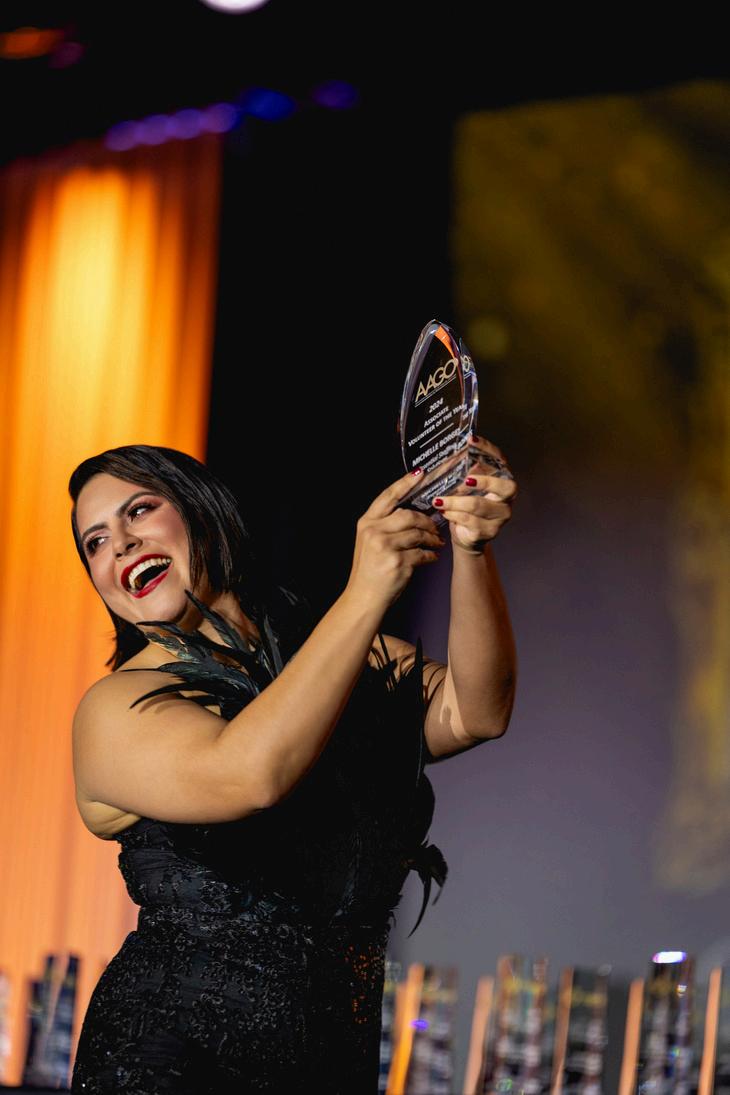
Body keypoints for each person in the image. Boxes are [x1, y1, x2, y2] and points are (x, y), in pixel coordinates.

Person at [68, 440, 516, 1094]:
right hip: (176, 1069)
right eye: (96, 542)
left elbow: (476, 711)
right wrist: (366, 590)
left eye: (139, 510)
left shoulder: (342, 657)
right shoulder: (113, 709)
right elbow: (251, 774)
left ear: (202, 511)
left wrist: (472, 550)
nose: (121, 544)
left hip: (331, 1066)